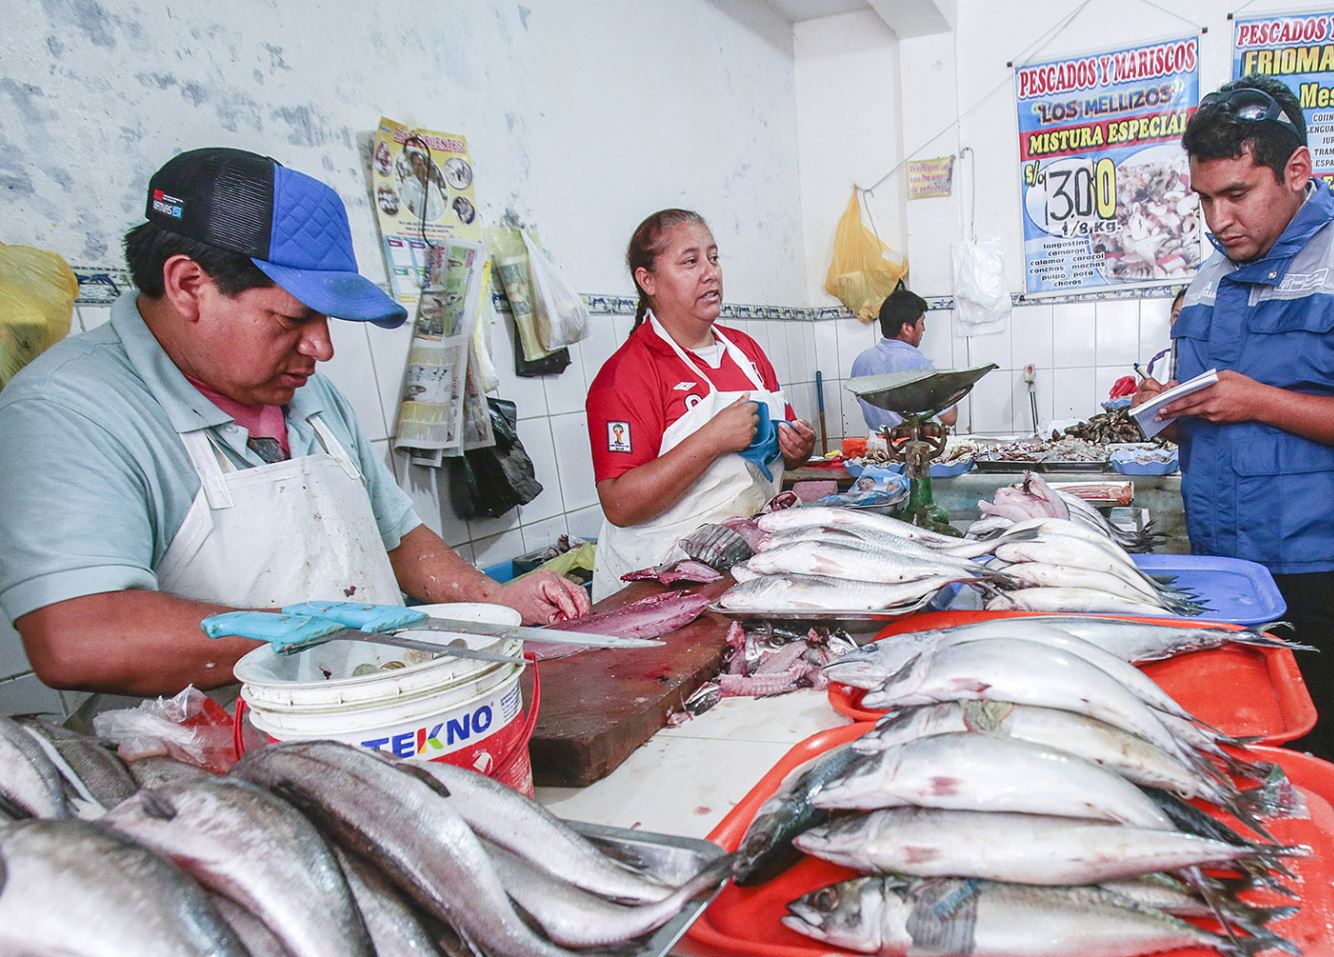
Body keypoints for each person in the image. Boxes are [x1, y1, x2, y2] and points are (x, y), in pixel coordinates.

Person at [0, 147, 587, 699]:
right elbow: (76, 636)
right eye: (291, 319)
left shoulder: (311, 395)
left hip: (378, 715)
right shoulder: (71, 409)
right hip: (221, 765)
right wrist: (313, 629)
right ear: (187, 286)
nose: (322, 347)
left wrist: (493, 600)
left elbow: (398, 536)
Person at [1134, 75, 1334, 762]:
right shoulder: (1209, 277)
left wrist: (1258, 400)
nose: (1218, 220)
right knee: (1232, 740)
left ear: (1297, 169)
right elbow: (1220, 411)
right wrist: (1173, 404)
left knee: (1309, 746)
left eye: (1238, 194)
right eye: (1205, 198)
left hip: (1322, 568)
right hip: (1221, 562)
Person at [585, 209, 815, 587]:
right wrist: (712, 439)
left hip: (740, 558)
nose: (710, 272)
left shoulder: (745, 351)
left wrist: (797, 447)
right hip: (656, 579)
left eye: (713, 257)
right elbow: (619, 505)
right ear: (648, 280)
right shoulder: (626, 375)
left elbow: (781, 447)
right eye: (690, 262)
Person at [848, 288, 956, 432]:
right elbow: (950, 418)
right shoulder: (918, 363)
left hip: (877, 447)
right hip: (914, 447)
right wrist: (951, 387)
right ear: (906, 328)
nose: (923, 329)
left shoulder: (861, 361)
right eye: (922, 323)